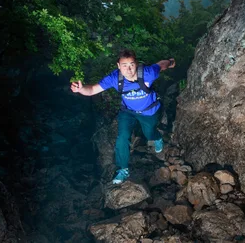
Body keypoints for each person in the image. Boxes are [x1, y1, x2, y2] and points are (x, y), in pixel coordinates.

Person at [71, 49, 175, 184]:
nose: (129, 69)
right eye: (124, 65)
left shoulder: (148, 74)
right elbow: (92, 90)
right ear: (118, 66)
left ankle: (156, 138)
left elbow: (161, 65)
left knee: (149, 133)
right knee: (122, 137)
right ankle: (123, 169)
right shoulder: (115, 78)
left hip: (148, 111)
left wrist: (171, 62)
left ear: (136, 64)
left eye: (131, 64)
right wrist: (81, 89)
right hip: (128, 112)